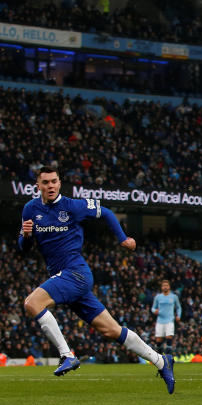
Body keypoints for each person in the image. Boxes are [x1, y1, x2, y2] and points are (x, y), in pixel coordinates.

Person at [17, 166, 174, 392]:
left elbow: (107, 213)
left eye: (54, 181)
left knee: (32, 303)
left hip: (76, 273)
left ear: (59, 183)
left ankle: (66, 355)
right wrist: (26, 235)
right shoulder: (30, 209)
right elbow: (24, 248)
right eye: (45, 182)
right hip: (63, 277)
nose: (50, 186)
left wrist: (122, 238)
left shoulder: (73, 206)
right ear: (38, 186)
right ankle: (161, 361)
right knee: (111, 330)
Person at [151, 279, 181, 355]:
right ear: (161, 287)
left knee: (169, 338)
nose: (165, 287)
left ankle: (168, 358)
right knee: (158, 340)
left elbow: (179, 307)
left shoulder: (174, 297)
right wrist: (155, 311)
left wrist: (178, 315)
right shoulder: (158, 297)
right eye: (163, 285)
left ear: (169, 287)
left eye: (166, 285)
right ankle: (160, 358)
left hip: (170, 320)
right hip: (160, 321)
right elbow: (153, 308)